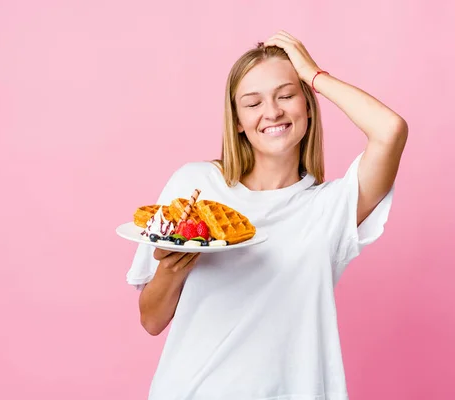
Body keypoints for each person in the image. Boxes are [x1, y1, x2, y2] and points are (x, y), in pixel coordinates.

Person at [126, 30, 408, 400]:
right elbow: (151, 320)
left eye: (286, 95)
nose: (272, 112)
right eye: (253, 103)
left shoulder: (332, 207)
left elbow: (390, 130)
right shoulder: (195, 185)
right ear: (238, 120)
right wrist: (173, 267)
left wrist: (314, 74)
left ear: (307, 104)